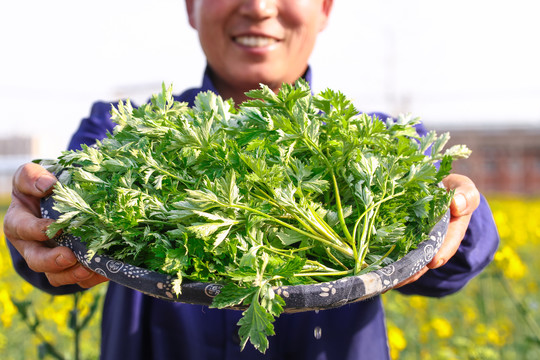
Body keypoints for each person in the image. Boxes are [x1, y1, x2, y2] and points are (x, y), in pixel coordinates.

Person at [4, 1, 499, 359]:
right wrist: (36, 227)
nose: (260, 7)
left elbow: (458, 259)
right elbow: (50, 240)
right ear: (191, 7)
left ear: (325, 8)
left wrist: (458, 216)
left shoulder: (380, 144)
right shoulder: (120, 133)